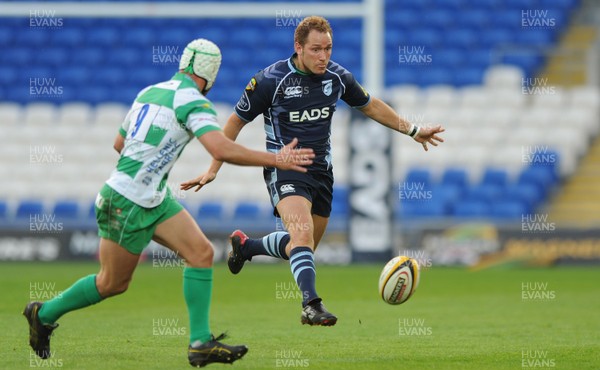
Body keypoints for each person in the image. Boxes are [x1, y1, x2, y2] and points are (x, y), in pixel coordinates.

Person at [23, 38, 314, 368]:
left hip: (149, 196)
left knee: (201, 253)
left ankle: (200, 343)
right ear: (211, 73)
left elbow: (119, 143)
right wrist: (277, 159)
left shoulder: (150, 92)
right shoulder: (194, 102)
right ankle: (42, 313)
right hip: (127, 201)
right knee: (112, 283)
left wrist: (150, 167)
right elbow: (220, 149)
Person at [182, 16, 445, 326]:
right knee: (302, 234)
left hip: (322, 174)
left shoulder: (337, 77)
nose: (324, 56)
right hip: (286, 169)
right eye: (317, 49)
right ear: (299, 48)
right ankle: (312, 305)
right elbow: (235, 122)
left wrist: (413, 130)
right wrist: (214, 167)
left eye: (329, 49)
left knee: (300, 246)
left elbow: (371, 105)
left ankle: (247, 246)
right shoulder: (270, 80)